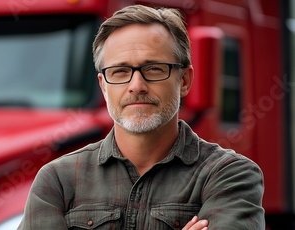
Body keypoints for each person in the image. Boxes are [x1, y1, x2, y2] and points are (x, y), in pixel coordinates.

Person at [18, 4, 264, 230]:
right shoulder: (58, 181)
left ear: (185, 80)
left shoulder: (230, 175)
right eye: (120, 71)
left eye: (154, 69)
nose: (137, 85)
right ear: (104, 86)